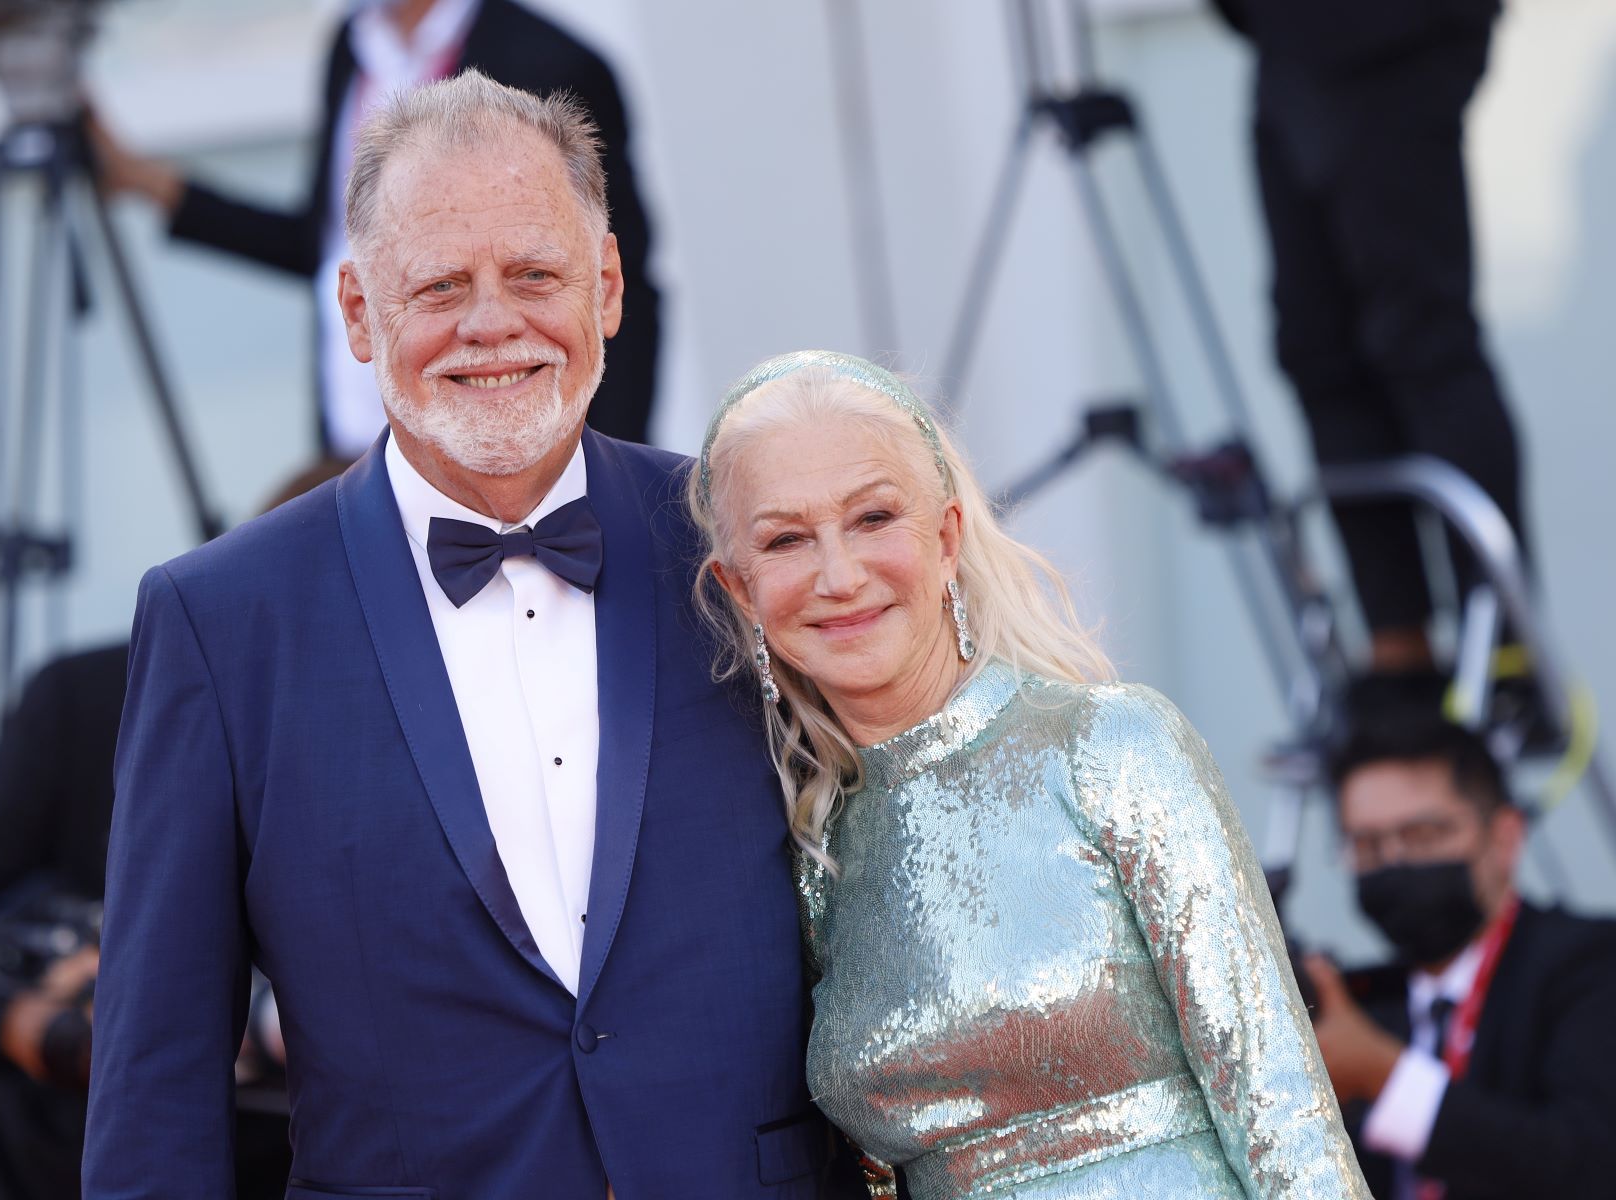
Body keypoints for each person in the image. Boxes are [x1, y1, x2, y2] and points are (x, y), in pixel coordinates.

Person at [83, 72, 839, 1199]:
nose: (493, 324)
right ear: (356, 314)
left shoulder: (742, 542)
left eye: (535, 275)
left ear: (608, 288)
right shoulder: (222, 619)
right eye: (440, 285)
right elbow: (158, 1082)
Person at [690, 350, 1368, 1197]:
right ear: (743, 592)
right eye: (787, 539)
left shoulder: (1110, 746)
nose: (839, 575)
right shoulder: (813, 848)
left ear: (945, 540)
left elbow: (1284, 1116)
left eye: (872, 519)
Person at [91, 0, 661, 455]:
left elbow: (618, 276)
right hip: (354, 440)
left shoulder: (555, 61)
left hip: (499, 441)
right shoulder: (349, 47)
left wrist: (610, 466)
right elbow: (326, 244)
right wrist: (152, 185)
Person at [0, 644, 294, 1200]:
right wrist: (28, 1025)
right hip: (55, 1165)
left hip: (285, 1167)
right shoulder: (83, 695)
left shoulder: (375, 709)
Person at [1210, 0, 1530, 712]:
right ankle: (1399, 646)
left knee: (1422, 342)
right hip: (1288, 43)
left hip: (1392, 33)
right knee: (1318, 351)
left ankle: (1504, 645)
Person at [1301, 716, 1616, 1198]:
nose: (1394, 862)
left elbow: (1588, 1164)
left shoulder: (1590, 964)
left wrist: (1386, 1079)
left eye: (1423, 835)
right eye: (1366, 846)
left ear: (1504, 838)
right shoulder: (1362, 1002)